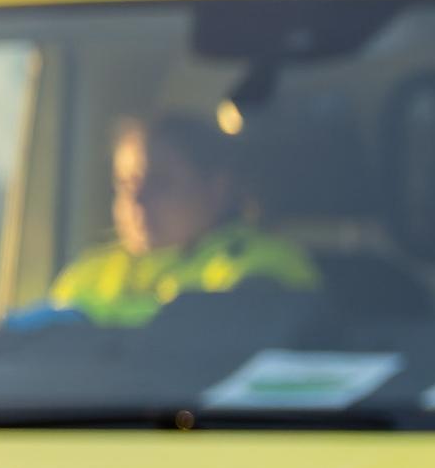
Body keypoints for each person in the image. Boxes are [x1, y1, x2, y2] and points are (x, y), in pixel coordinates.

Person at [45, 111, 318, 323]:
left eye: (160, 182)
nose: (136, 201)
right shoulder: (87, 274)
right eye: (126, 184)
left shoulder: (259, 265)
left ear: (217, 189)